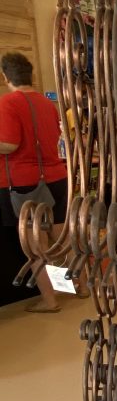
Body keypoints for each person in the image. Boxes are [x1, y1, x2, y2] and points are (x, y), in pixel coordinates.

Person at [0, 52, 67, 312]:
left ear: (6, 77)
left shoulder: (8, 104)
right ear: (31, 75)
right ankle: (79, 287)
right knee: (61, 239)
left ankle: (50, 300)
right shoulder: (46, 103)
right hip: (56, 178)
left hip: (23, 184)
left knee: (34, 244)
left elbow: (9, 144)